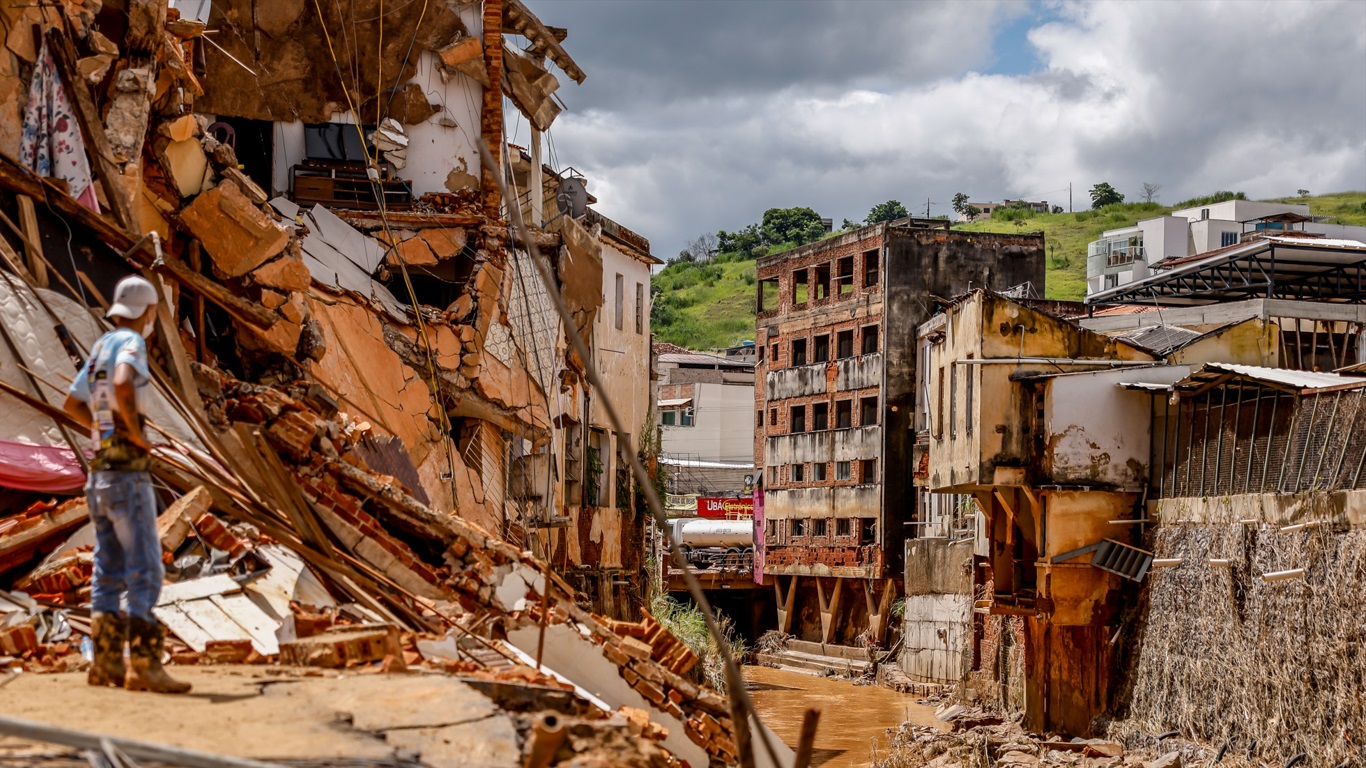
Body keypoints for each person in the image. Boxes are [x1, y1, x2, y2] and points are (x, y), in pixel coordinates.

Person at [63, 275, 191, 694]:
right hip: (127, 472)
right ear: (147, 311)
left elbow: (73, 403)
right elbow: (121, 383)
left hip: (100, 472)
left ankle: (106, 664)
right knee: (145, 569)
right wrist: (134, 434)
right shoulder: (132, 343)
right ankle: (144, 666)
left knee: (107, 569)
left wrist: (102, 433)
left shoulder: (101, 345)